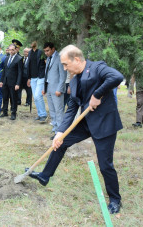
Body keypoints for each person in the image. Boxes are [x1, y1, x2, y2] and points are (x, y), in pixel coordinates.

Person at [28, 45, 123, 214]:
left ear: (77, 59)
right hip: (86, 122)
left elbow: (117, 77)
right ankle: (45, 176)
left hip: (104, 123)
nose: (64, 68)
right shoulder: (74, 79)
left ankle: (115, 199)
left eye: (65, 64)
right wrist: (60, 131)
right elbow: (72, 107)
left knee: (105, 164)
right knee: (60, 142)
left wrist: (97, 95)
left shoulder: (97, 68)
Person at [42, 42, 67, 139]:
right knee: (52, 110)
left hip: (57, 89)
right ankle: (55, 128)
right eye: (45, 51)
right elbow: (47, 74)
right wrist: (44, 88)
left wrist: (59, 89)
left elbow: (63, 76)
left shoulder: (60, 58)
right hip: (49, 88)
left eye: (48, 50)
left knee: (59, 110)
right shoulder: (48, 59)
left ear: (53, 49)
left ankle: (60, 132)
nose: (46, 53)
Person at [0, 44, 23, 120]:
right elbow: (4, 71)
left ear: (16, 50)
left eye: (13, 50)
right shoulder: (6, 58)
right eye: (10, 50)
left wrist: (18, 83)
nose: (11, 51)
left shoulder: (19, 59)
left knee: (13, 98)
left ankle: (13, 113)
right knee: (5, 97)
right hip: (5, 81)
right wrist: (1, 81)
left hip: (14, 82)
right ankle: (5, 112)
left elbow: (20, 72)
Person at [27, 41, 48, 121]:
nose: (32, 43)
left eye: (33, 41)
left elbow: (46, 64)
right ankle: (40, 114)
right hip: (33, 77)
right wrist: (29, 78)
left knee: (38, 95)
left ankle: (43, 114)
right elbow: (29, 65)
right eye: (31, 42)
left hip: (40, 77)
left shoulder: (41, 52)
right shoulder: (30, 53)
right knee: (35, 97)